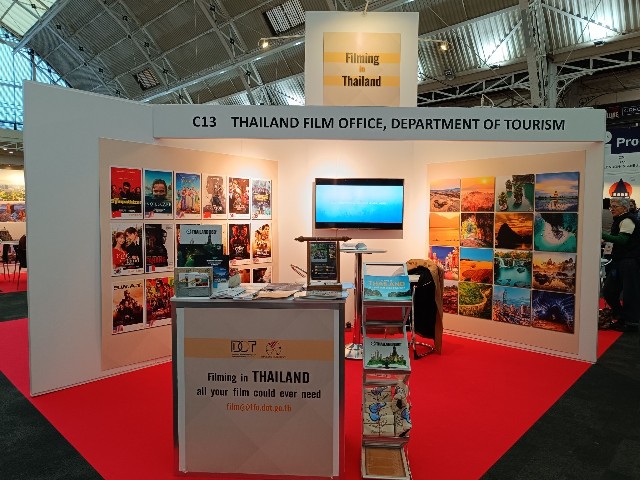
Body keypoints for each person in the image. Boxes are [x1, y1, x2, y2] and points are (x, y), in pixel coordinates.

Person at [600, 197, 640, 331]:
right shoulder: (620, 220)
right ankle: (622, 316)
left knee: (630, 293)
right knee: (609, 291)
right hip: (620, 260)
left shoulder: (627, 220)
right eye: (611, 206)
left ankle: (631, 322)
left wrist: (602, 235)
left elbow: (622, 240)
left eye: (615, 206)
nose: (612, 209)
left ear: (624, 208)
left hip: (629, 261)